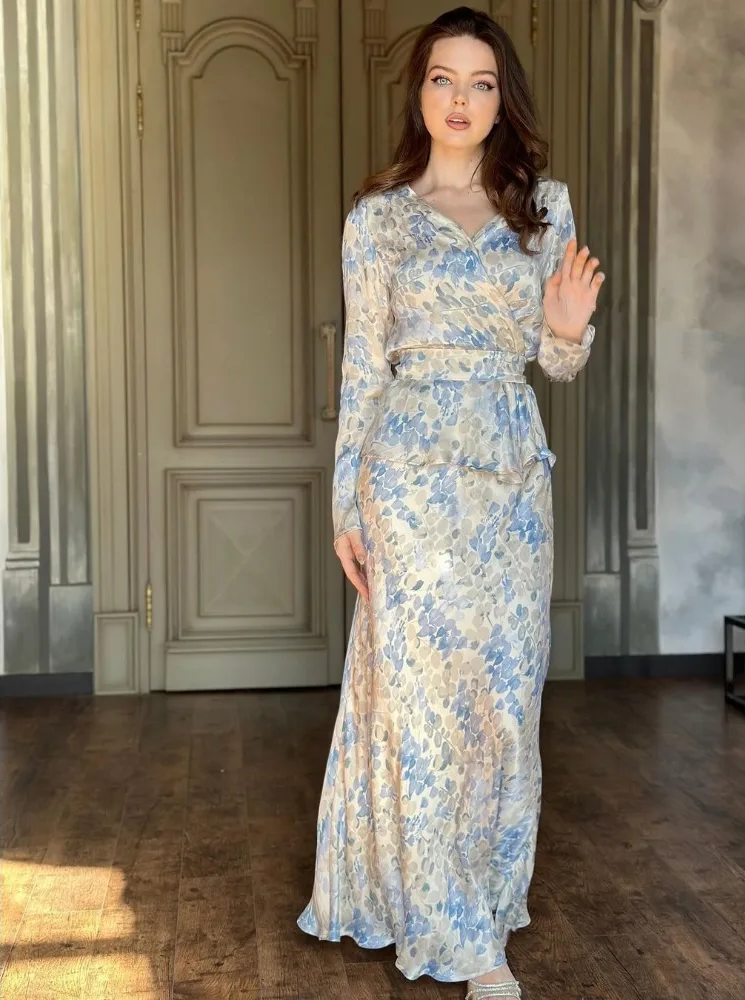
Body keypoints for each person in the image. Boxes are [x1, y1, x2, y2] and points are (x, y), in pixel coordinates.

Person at [297, 7, 603, 998]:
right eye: (442, 79)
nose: (460, 99)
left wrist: (568, 330)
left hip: (509, 479)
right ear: (419, 92)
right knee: (426, 708)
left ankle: (480, 893)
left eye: (480, 81)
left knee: (503, 705)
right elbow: (362, 369)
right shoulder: (379, 220)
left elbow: (557, 362)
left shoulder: (543, 208)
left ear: (502, 98)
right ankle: (469, 943)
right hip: (409, 480)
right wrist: (346, 505)